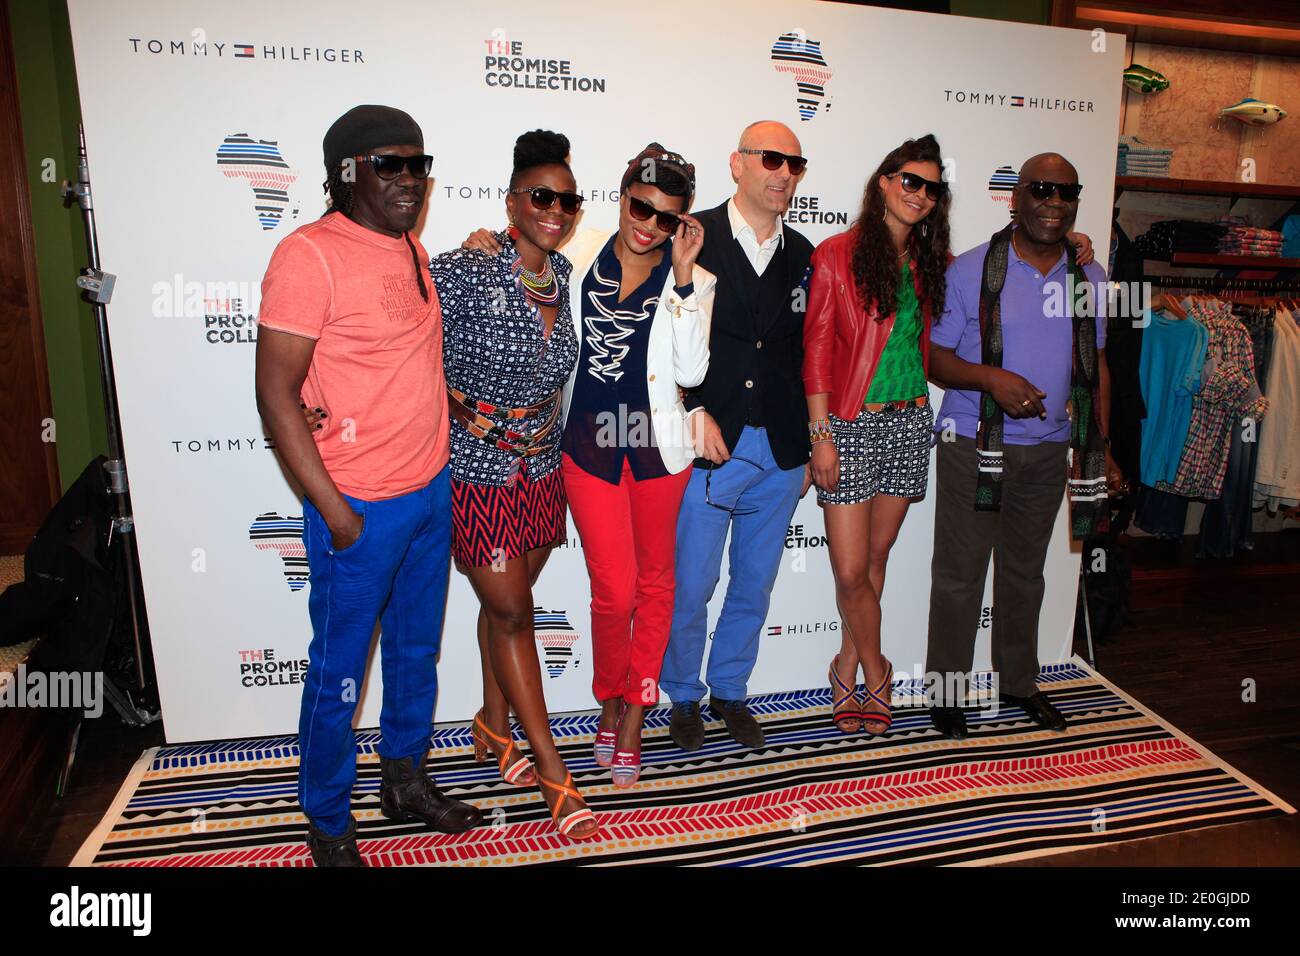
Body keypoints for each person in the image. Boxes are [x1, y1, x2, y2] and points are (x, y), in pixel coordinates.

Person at [255, 105, 482, 867]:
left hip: (429, 494)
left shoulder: (410, 246)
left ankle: (404, 781)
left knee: (416, 655)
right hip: (359, 507)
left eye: (419, 164)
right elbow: (276, 393)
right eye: (390, 164)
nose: (410, 179)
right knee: (340, 672)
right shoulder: (308, 255)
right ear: (348, 171)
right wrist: (335, 512)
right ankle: (326, 818)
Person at [463, 144, 715, 787]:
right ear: (623, 193)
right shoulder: (577, 254)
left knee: (658, 584)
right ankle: (608, 696)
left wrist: (683, 280)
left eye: (665, 218)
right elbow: (526, 247)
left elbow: (690, 372)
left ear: (681, 223)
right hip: (587, 447)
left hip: (659, 453)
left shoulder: (696, 281)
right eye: (640, 207)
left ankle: (633, 712)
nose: (648, 225)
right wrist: (489, 239)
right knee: (615, 589)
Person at [432, 130, 598, 841]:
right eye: (541, 196)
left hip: (541, 465)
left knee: (508, 607)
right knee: (512, 614)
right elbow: (394, 335)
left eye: (567, 198)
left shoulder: (563, 275)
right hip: (476, 467)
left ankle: (491, 725)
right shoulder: (465, 269)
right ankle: (554, 774)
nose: (555, 208)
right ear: (512, 202)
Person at [925, 152, 1122, 740]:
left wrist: (1100, 446)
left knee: (1025, 574)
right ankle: (949, 692)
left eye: (1066, 192)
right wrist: (993, 380)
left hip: (1049, 449)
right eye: (1040, 190)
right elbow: (932, 358)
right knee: (960, 576)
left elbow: (1098, 367)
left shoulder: (1090, 277)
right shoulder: (968, 271)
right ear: (1015, 198)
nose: (1053, 203)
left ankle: (1018, 683)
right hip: (972, 444)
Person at [659, 121, 816, 751]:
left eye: (796, 164)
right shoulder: (690, 234)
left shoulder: (807, 254)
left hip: (779, 450)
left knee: (754, 584)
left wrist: (812, 440)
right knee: (692, 585)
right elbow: (657, 336)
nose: (784, 172)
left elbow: (812, 353)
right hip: (707, 446)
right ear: (737, 163)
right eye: (772, 159)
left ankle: (729, 690)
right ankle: (682, 697)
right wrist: (689, 409)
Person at [803, 134, 950, 736]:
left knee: (876, 558)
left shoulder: (929, 259)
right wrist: (821, 434)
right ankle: (877, 666)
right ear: (884, 182)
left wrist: (1076, 248)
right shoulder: (835, 254)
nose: (919, 194)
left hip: (911, 422)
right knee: (848, 571)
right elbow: (814, 349)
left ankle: (844, 663)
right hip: (849, 423)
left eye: (932, 188)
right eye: (910, 181)